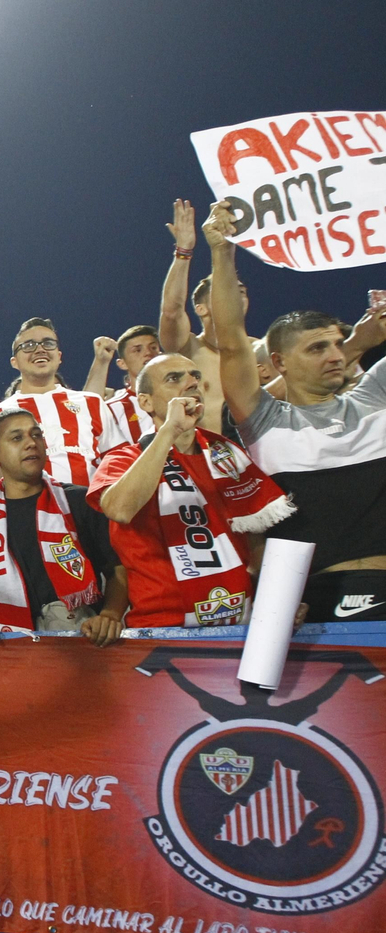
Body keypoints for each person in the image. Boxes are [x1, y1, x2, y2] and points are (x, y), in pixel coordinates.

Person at [203, 199, 386, 621]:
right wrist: (221, 250)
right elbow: (230, 338)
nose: (336, 355)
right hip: (308, 605)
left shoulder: (374, 396)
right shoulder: (263, 419)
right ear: (280, 363)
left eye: (338, 343)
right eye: (318, 347)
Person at [89, 351, 291, 630]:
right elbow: (120, 510)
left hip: (240, 625)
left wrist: (276, 601)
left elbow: (255, 536)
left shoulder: (225, 453)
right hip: (161, 630)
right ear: (145, 401)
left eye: (195, 376)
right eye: (174, 378)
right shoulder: (124, 458)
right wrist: (168, 432)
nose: (191, 383)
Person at [0, 410, 126, 646]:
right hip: (7, 642)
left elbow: (117, 569)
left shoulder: (79, 502)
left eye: (36, 435)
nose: (31, 443)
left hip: (82, 639)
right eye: (16, 438)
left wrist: (110, 615)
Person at [0, 318, 119, 484]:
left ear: (59, 356)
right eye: (28, 345)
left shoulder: (92, 402)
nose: (40, 349)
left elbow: (116, 458)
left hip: (88, 507)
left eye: (48, 343)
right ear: (14, 362)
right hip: (29, 509)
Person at [158, 198, 245, 435]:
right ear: (201, 308)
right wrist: (183, 250)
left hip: (258, 463)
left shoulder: (260, 351)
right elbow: (172, 311)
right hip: (207, 463)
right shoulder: (188, 351)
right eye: (223, 292)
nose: (235, 297)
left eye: (241, 292)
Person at [88, 325, 162, 446]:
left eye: (153, 348)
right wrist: (101, 361)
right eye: (137, 350)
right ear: (122, 364)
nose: (148, 353)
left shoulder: (181, 397)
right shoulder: (113, 409)